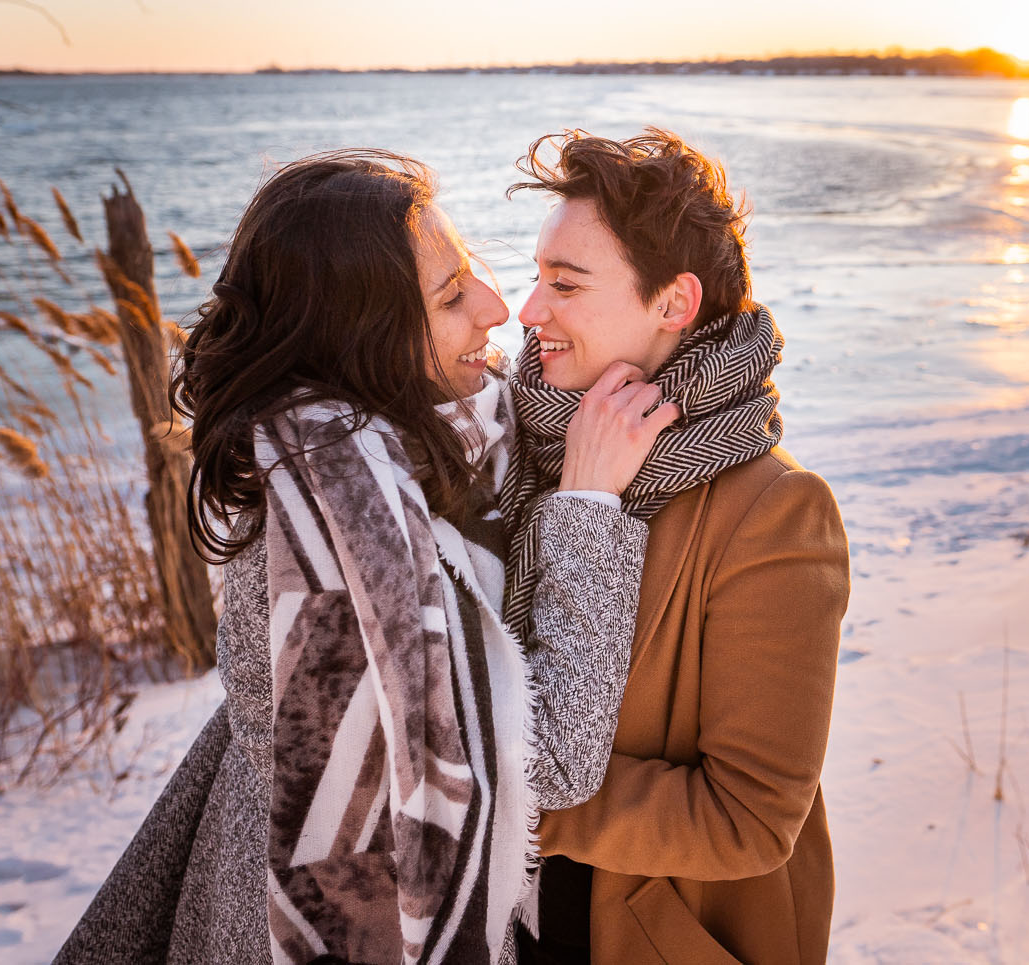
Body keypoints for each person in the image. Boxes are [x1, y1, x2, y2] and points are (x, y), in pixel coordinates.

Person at [56, 149, 675, 965]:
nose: (497, 309)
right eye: (452, 297)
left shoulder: (407, 444)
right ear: (363, 342)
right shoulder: (333, 532)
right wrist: (589, 503)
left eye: (475, 272)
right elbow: (547, 762)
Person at [500, 130, 851, 965]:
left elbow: (751, 817)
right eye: (537, 277)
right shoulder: (520, 452)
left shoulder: (776, 512)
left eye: (566, 284)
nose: (528, 310)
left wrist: (505, 795)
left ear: (672, 304)